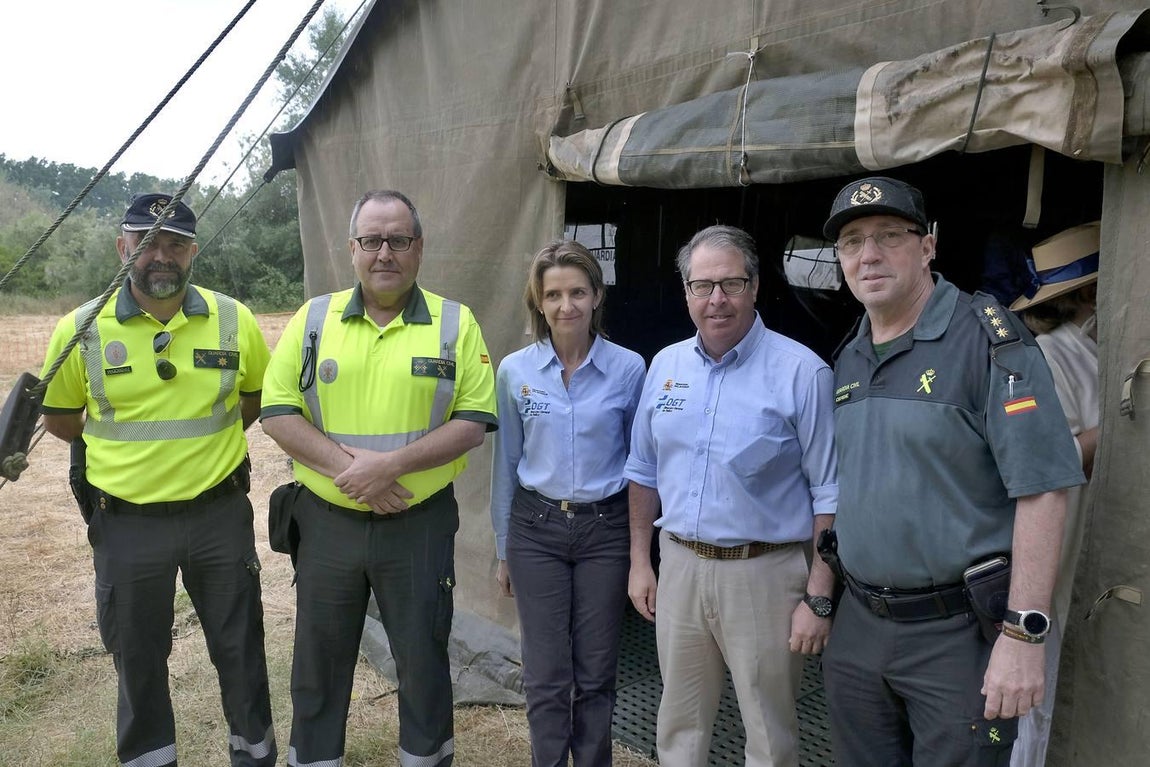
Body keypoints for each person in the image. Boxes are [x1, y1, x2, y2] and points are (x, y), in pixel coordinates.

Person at [819, 176, 1086, 766]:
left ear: (928, 246)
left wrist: (1022, 636)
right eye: (852, 242)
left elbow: (1045, 489)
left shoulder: (988, 341)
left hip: (959, 637)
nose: (869, 254)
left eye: (889, 235)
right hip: (860, 625)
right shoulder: (850, 355)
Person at [260, 189, 497, 767]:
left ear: (419, 248)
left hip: (418, 525)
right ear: (352, 248)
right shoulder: (313, 319)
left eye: (398, 240)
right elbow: (276, 411)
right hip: (326, 525)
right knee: (318, 659)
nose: (384, 252)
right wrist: (353, 472)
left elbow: (473, 422)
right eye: (372, 240)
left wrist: (389, 466)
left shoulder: (454, 322)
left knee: (422, 658)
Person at [38, 194, 276, 767]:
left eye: (174, 244)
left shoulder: (232, 317)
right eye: (146, 242)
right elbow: (62, 417)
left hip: (218, 516)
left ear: (193, 251)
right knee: (138, 659)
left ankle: (254, 755)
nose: (160, 255)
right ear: (124, 247)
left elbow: (254, 400)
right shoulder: (82, 328)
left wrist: (200, 455)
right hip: (127, 524)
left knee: (240, 649)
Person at [624, 225, 838, 767]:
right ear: (686, 293)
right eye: (702, 286)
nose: (716, 299)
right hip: (679, 564)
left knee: (768, 726)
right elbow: (643, 470)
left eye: (731, 283)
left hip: (764, 576)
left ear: (756, 286)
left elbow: (829, 491)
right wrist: (639, 564)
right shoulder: (665, 366)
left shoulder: (802, 372)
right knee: (679, 720)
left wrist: (818, 592)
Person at [490, 241, 645, 766]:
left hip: (606, 529)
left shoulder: (629, 370)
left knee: (597, 669)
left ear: (597, 295)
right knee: (547, 671)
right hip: (536, 529)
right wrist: (502, 546)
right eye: (553, 294)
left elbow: (641, 465)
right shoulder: (515, 371)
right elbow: (506, 462)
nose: (566, 306)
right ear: (538, 300)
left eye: (577, 292)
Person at [1009, 222, 1101, 767]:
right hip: (1060, 545)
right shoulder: (1046, 355)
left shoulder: (1098, 346)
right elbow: (1051, 458)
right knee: (1046, 691)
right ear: (1087, 292)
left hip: (1105, 537)